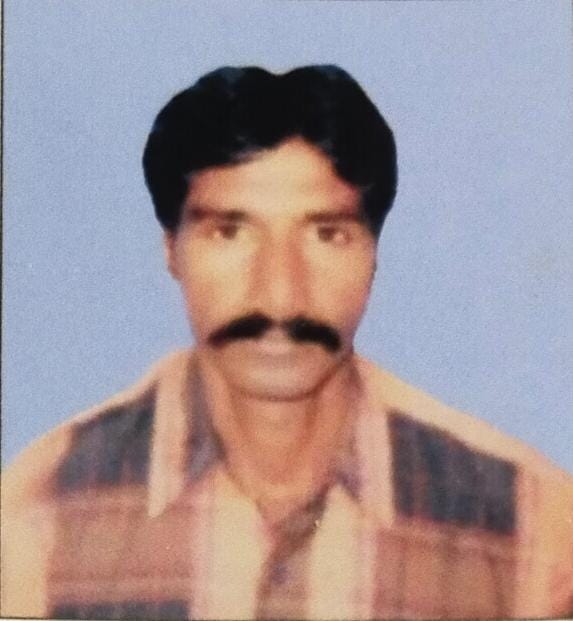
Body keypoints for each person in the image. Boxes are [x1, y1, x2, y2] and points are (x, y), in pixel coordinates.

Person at [2, 65, 572, 621]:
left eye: (327, 234)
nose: (280, 296)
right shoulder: (34, 520)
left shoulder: (533, 530)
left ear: (374, 253)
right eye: (229, 231)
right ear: (171, 250)